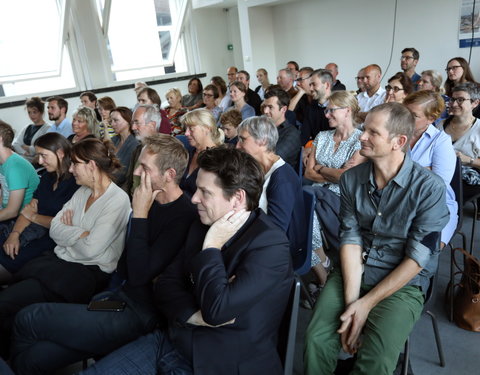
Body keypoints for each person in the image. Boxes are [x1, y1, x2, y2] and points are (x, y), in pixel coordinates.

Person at [74, 147, 293, 375]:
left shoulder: (270, 246)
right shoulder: (201, 223)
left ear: (238, 197)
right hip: (173, 341)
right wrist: (194, 316)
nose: (195, 198)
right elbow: (165, 286)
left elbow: (217, 310)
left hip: (219, 362)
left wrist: (211, 247)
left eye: (204, 192)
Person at [11, 135, 198, 375]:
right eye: (138, 164)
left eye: (145, 168)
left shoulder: (182, 215)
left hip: (140, 314)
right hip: (117, 296)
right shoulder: (145, 198)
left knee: (28, 317)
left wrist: (139, 215)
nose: (137, 173)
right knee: (33, 359)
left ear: (170, 175)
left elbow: (140, 274)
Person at [304, 103, 449, 375]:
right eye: (364, 129)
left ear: (399, 142)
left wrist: (365, 305)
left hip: (402, 282)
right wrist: (351, 306)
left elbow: (417, 259)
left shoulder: (429, 188)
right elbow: (350, 239)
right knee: (316, 339)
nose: (361, 136)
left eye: (373, 132)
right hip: (355, 269)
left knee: (377, 359)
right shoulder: (351, 180)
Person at [0, 138, 131, 357]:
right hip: (60, 264)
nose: (70, 169)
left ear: (91, 166)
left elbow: (90, 250)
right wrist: (79, 233)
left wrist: (69, 232)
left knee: (6, 304)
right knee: (9, 302)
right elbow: (55, 229)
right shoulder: (82, 192)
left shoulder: (118, 200)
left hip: (83, 275)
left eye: (75, 164)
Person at [304, 91, 366, 287]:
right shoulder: (322, 136)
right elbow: (308, 174)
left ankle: (322, 270)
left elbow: (346, 179)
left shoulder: (360, 140)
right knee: (304, 213)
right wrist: (334, 172)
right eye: (326, 110)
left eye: (331, 110)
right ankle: (324, 268)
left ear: (347, 111)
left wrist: (320, 168)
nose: (326, 115)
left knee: (303, 216)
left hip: (343, 198)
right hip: (315, 193)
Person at [0, 133, 78, 284]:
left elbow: (63, 223)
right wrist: (14, 234)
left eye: (44, 155)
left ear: (60, 153)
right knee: (7, 242)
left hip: (50, 239)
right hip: (28, 228)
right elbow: (26, 211)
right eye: (38, 156)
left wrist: (34, 217)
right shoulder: (49, 177)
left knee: (11, 257)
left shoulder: (75, 182)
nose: (40, 161)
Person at [236, 116, 304, 255]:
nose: (237, 145)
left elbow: (276, 232)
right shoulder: (257, 169)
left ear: (263, 141)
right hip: (258, 235)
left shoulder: (282, 179)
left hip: (277, 249)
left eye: (243, 139)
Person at [404, 90, 457, 246]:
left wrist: (399, 169)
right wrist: (425, 169)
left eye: (414, 115)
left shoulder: (441, 141)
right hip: (397, 197)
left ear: (431, 119)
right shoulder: (395, 134)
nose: (406, 118)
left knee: (424, 250)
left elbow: (438, 184)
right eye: (404, 111)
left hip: (435, 203)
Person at [436, 82, 480, 203]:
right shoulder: (441, 125)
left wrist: (468, 160)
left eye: (460, 100)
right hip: (441, 172)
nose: (454, 104)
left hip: (467, 178)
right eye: (453, 99)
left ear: (475, 103)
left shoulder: (478, 128)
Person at [0, 121, 39, 225]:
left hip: (20, 220)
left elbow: (12, 212)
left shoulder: (15, 167)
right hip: (8, 213)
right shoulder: (3, 162)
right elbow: (4, 194)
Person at [180, 109, 224, 197]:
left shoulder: (220, 159)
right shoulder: (187, 151)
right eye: (186, 129)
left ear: (207, 128)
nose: (186, 133)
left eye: (191, 129)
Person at [125, 104, 165, 198]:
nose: (133, 127)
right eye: (132, 123)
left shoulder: (164, 151)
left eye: (137, 122)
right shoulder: (138, 149)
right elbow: (129, 181)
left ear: (152, 125)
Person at [263, 88, 301, 170]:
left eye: (270, 107)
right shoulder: (263, 128)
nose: (265, 111)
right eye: (265, 106)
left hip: (278, 178)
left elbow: (272, 160)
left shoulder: (292, 134)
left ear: (283, 109)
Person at [12, 97, 51, 162]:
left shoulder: (48, 128)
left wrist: (28, 147)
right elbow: (15, 144)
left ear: (41, 112)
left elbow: (43, 149)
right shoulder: (27, 127)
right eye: (29, 112)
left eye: (34, 112)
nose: (31, 115)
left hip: (37, 163)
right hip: (23, 159)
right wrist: (25, 152)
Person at [301, 69, 332, 148]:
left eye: (314, 84)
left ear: (327, 85)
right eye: (310, 85)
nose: (310, 89)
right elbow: (304, 138)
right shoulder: (310, 108)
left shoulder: (339, 108)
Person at [110, 107, 139, 186]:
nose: (112, 124)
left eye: (116, 120)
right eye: (111, 121)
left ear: (128, 121)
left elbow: (122, 174)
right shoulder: (113, 140)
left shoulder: (134, 144)